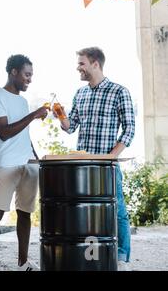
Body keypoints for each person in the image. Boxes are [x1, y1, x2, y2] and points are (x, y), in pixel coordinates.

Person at [55, 47, 135, 270]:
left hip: (107, 165)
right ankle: (92, 254)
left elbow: (129, 130)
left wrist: (111, 157)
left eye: (81, 63)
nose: (78, 67)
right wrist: (61, 117)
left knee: (117, 210)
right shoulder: (80, 93)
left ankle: (121, 258)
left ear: (95, 64)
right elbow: (71, 127)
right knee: (86, 211)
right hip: (82, 166)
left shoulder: (119, 92)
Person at [0, 54, 48, 271]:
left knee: (25, 213)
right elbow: (4, 133)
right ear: (13, 72)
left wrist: (36, 156)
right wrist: (34, 115)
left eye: (31, 75)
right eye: (27, 74)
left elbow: (23, 134)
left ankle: (23, 262)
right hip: (7, 164)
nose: (30, 79)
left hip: (29, 164)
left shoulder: (22, 101)